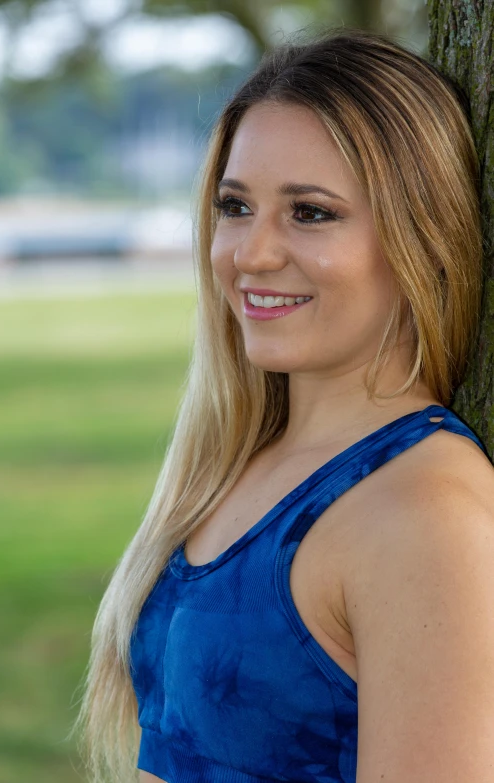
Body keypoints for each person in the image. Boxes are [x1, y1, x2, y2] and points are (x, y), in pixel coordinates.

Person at [73, 27, 494, 783]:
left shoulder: (425, 512)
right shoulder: (239, 461)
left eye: (311, 213)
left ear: (422, 237)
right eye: (236, 206)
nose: (252, 253)